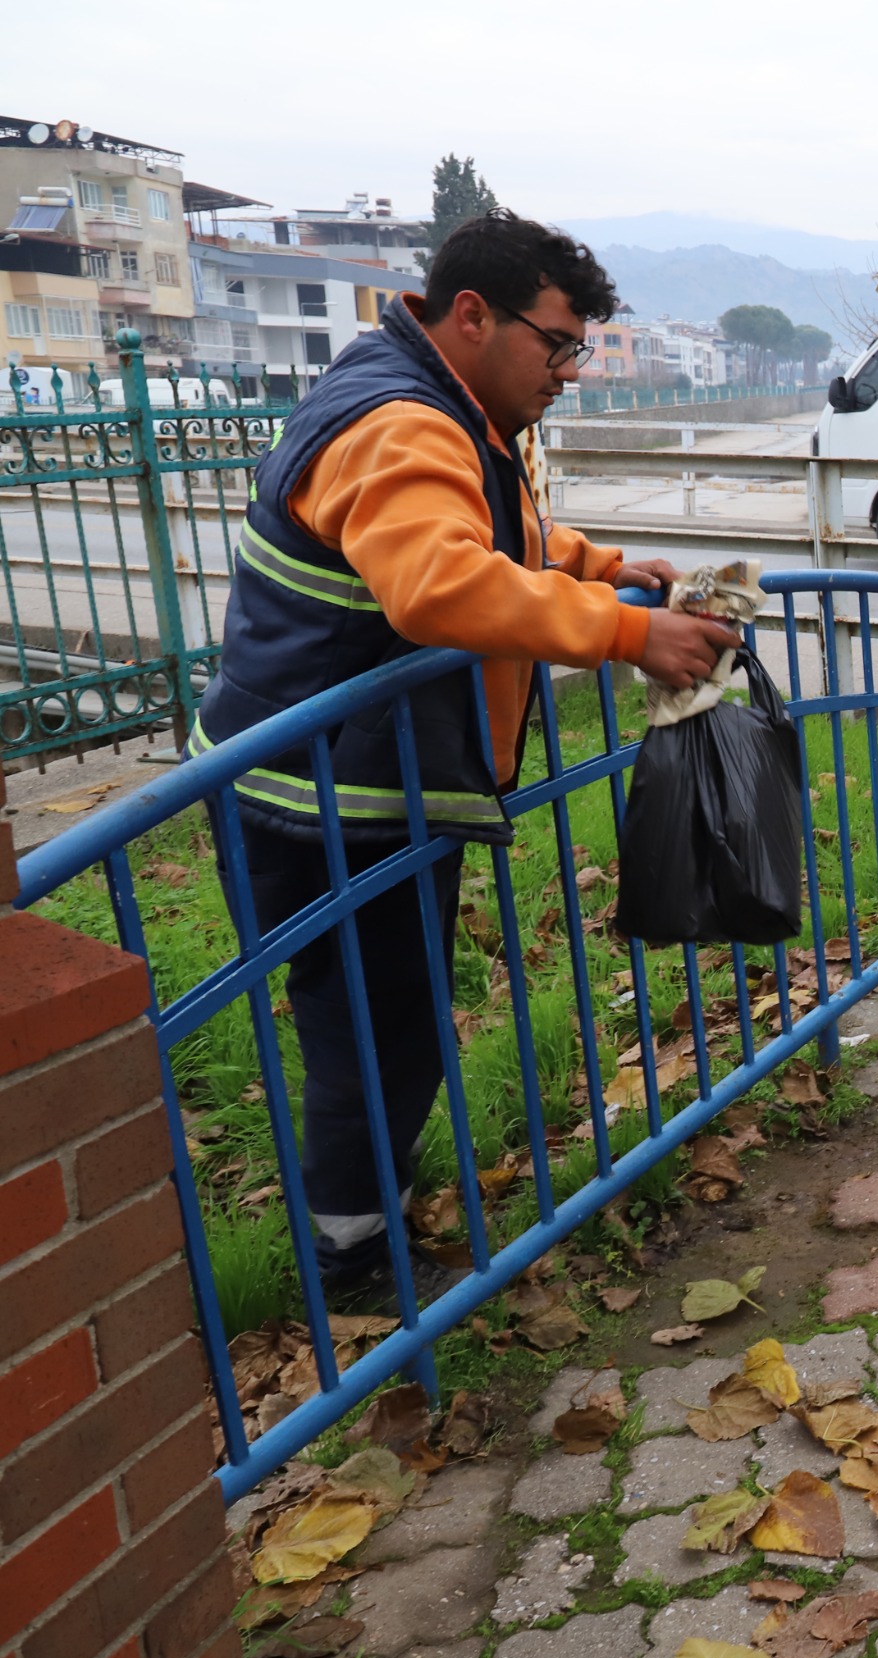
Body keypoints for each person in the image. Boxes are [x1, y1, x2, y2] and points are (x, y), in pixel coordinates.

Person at [192, 210, 739, 1289]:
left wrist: (598, 566)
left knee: (387, 1017)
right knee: (372, 1026)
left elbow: (489, 535)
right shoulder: (405, 423)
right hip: (319, 796)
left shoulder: (434, 401)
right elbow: (440, 581)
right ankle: (353, 1272)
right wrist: (630, 628)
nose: (571, 370)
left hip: (345, 777)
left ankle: (368, 1221)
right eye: (559, 342)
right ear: (475, 316)